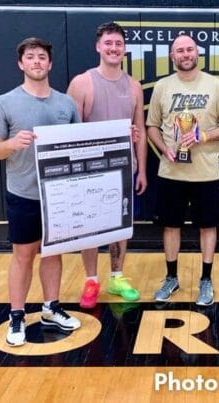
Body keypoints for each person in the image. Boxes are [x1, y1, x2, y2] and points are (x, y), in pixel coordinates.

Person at [0, 37, 82, 346]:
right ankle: (16, 315)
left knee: (53, 253)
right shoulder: (4, 102)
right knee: (23, 256)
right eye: (31, 57)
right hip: (24, 194)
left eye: (42, 56)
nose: (37, 61)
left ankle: (51, 307)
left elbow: (79, 144)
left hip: (58, 194)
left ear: (50, 64)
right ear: (21, 64)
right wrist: (12, 144)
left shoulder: (66, 103)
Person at [146, 34, 219, 306]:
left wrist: (203, 136)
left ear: (197, 53)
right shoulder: (162, 86)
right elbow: (151, 126)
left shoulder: (214, 85)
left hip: (205, 172)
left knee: (208, 226)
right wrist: (164, 148)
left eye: (189, 49)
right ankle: (171, 277)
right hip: (171, 171)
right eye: (179, 51)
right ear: (172, 56)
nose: (185, 54)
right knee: (170, 226)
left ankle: (206, 280)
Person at [66, 22, 147, 309]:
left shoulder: (134, 86)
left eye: (118, 44)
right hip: (90, 169)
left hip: (124, 167)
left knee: (121, 226)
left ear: (124, 50)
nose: (113, 48)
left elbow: (141, 130)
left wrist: (143, 170)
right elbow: (70, 131)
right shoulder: (81, 83)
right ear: (98, 46)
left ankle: (117, 276)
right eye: (108, 43)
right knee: (90, 227)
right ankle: (91, 279)